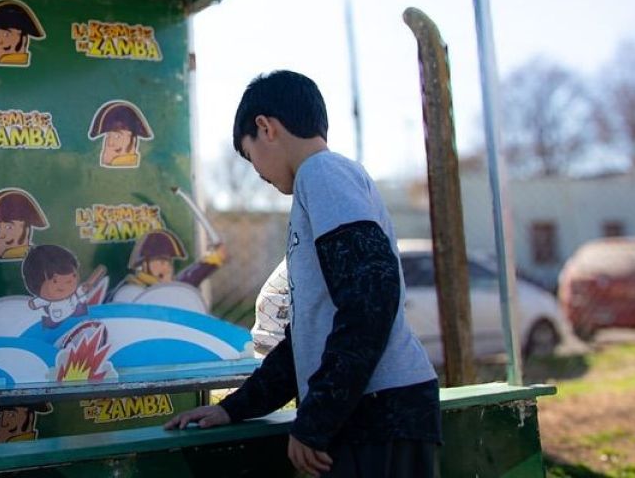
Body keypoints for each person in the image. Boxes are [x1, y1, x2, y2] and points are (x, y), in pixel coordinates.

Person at [164, 70, 440, 478]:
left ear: (265, 127)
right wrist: (232, 409)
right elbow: (308, 339)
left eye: (249, 153)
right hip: (371, 412)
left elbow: (371, 299)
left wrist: (315, 421)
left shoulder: (321, 174)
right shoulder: (323, 182)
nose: (257, 171)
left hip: (378, 413)